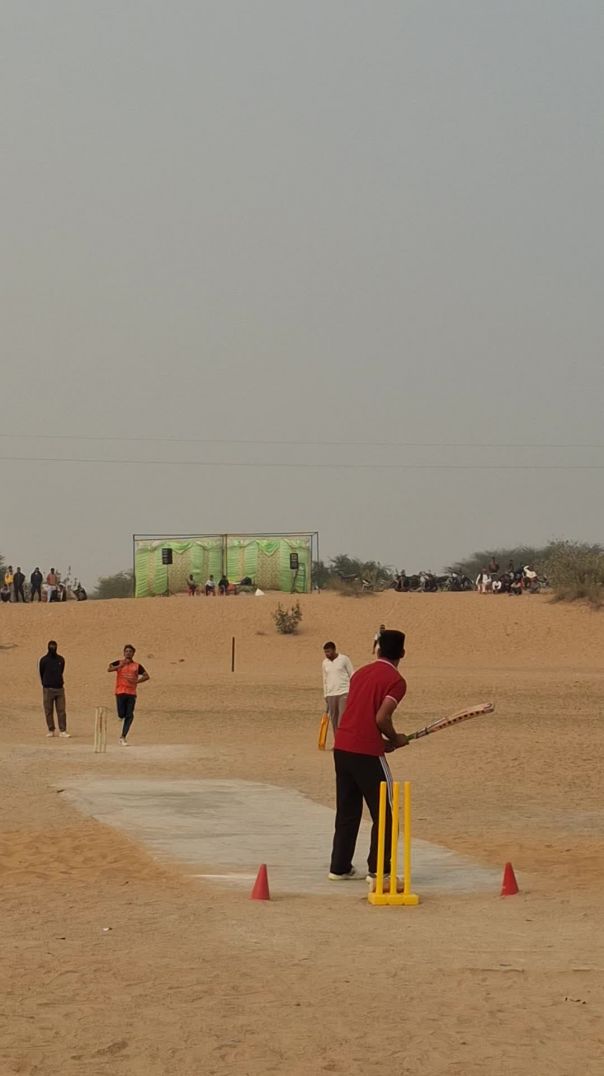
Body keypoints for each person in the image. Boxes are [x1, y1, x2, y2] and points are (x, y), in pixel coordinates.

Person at [328, 629, 408, 884]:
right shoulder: (396, 680)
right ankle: (379, 870)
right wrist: (394, 738)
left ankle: (339, 867)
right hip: (366, 752)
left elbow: (359, 713)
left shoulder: (360, 673)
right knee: (385, 813)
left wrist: (382, 740)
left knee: (347, 810)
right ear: (402, 653)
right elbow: (381, 717)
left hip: (343, 747)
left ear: (378, 650)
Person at [107, 645, 150, 746]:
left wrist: (137, 681)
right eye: (126, 651)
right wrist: (119, 666)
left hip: (131, 693)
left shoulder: (137, 666)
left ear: (133, 653)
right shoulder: (119, 662)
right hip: (120, 691)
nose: (128, 653)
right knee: (121, 714)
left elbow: (146, 676)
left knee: (130, 715)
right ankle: (121, 716)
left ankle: (123, 737)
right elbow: (109, 669)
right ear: (124, 652)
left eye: (130, 651)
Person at [39, 640, 70, 738]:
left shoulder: (61, 659)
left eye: (54, 647)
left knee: (61, 711)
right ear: (48, 648)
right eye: (51, 647)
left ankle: (63, 730)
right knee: (48, 710)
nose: (53, 649)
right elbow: (41, 672)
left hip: (59, 689)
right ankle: (51, 729)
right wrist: (45, 683)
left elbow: (61, 671)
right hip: (48, 688)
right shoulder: (43, 660)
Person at [322, 642, 354, 735]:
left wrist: (352, 691)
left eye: (328, 651)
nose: (327, 654)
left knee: (342, 720)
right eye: (325, 652)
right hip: (331, 694)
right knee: (334, 721)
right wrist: (326, 695)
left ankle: (344, 739)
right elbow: (324, 679)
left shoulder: (344, 659)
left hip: (344, 692)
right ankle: (338, 742)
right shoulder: (325, 663)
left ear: (334, 650)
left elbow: (352, 674)